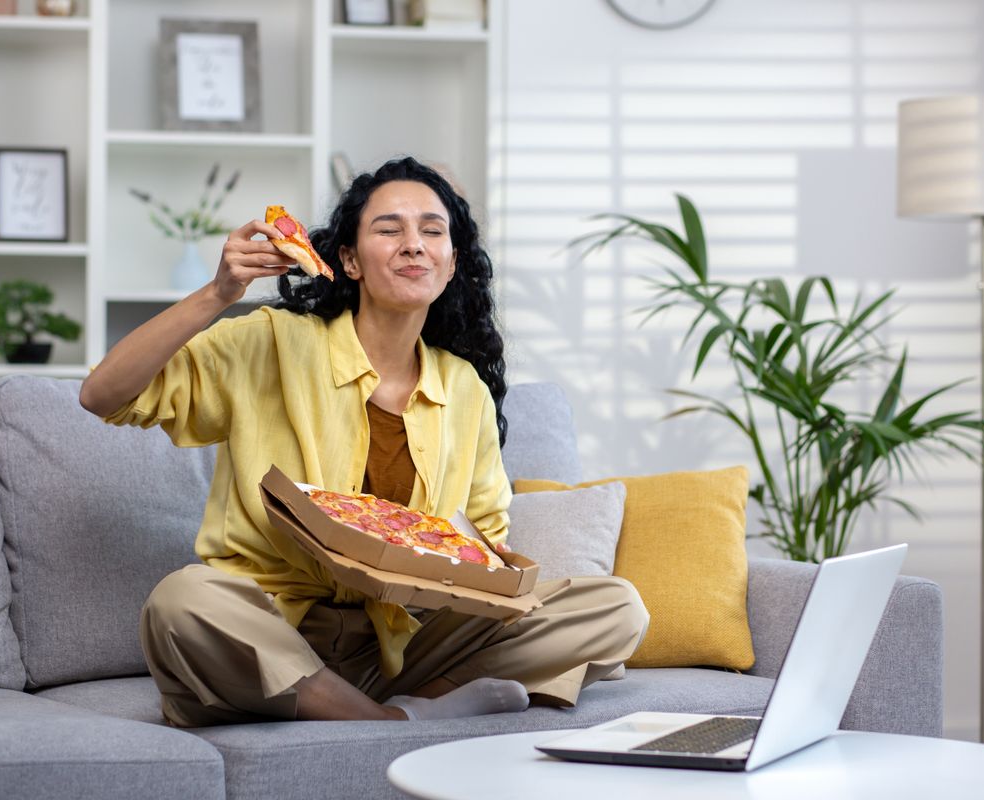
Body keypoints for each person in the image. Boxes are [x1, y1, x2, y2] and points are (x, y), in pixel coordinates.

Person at [79, 156, 648, 727]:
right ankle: (394, 722)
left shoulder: (463, 387)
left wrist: (453, 555)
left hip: (404, 644)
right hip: (276, 633)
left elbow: (484, 539)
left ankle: (408, 701)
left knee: (616, 607)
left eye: (432, 230)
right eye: (389, 229)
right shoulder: (270, 343)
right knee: (183, 601)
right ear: (348, 260)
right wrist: (219, 292)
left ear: (451, 264)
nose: (413, 245)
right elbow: (103, 395)